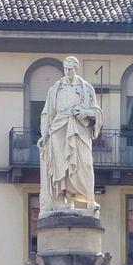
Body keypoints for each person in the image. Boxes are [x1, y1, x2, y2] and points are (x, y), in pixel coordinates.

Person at [38, 56, 103, 213]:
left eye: (71, 69)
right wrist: (44, 135)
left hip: (79, 130)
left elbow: (98, 112)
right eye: (65, 68)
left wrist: (86, 112)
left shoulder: (86, 88)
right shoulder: (55, 89)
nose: (67, 71)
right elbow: (46, 114)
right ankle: (60, 200)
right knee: (59, 168)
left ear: (76, 69)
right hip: (58, 131)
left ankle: (90, 200)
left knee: (85, 165)